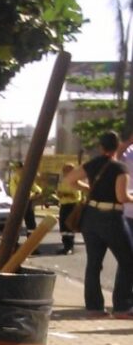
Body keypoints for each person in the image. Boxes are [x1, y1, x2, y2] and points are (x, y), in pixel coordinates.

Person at [64, 131, 133, 318]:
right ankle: (122, 306)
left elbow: (70, 179)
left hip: (91, 216)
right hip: (112, 217)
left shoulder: (93, 164)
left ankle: (94, 307)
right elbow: (122, 197)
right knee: (128, 260)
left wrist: (88, 188)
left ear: (101, 147)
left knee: (94, 263)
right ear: (118, 146)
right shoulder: (120, 168)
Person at [56, 162, 85, 255]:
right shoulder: (62, 181)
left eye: (67, 170)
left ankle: (70, 247)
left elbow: (77, 196)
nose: (65, 172)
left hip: (72, 205)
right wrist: (59, 194)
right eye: (64, 170)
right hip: (63, 205)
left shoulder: (75, 181)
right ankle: (65, 245)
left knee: (69, 226)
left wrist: (64, 194)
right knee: (63, 226)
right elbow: (59, 192)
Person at [9, 160, 42, 231]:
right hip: (19, 202)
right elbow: (15, 193)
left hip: (24, 203)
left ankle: (30, 236)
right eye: (16, 169)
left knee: (30, 223)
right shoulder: (15, 178)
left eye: (18, 168)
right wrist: (32, 195)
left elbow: (36, 189)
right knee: (17, 224)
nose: (16, 170)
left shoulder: (25, 177)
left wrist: (35, 194)